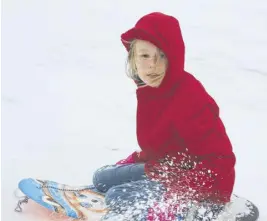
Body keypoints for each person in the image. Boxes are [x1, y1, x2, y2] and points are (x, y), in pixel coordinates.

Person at [92, 12, 236, 221]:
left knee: (117, 196)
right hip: (167, 169)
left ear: (175, 57)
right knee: (101, 179)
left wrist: (178, 195)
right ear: (132, 58)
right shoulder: (150, 92)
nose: (153, 65)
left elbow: (221, 162)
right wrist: (140, 160)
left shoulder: (191, 99)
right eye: (145, 56)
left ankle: (187, 212)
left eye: (162, 55)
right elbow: (165, 143)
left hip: (202, 186)